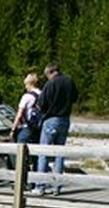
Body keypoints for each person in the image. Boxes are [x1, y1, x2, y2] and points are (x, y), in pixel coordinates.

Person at [34, 63, 79, 195]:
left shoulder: (50, 84)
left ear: (51, 72)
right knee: (60, 154)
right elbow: (75, 97)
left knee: (44, 153)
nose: (47, 77)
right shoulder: (69, 81)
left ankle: (40, 186)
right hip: (65, 119)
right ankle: (56, 187)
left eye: (47, 75)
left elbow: (41, 104)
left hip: (51, 120)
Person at [10, 72, 41, 145]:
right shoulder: (42, 94)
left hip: (28, 127)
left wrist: (13, 130)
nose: (25, 87)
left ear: (30, 84)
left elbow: (19, 114)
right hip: (39, 128)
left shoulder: (26, 96)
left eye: (26, 85)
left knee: (21, 147)